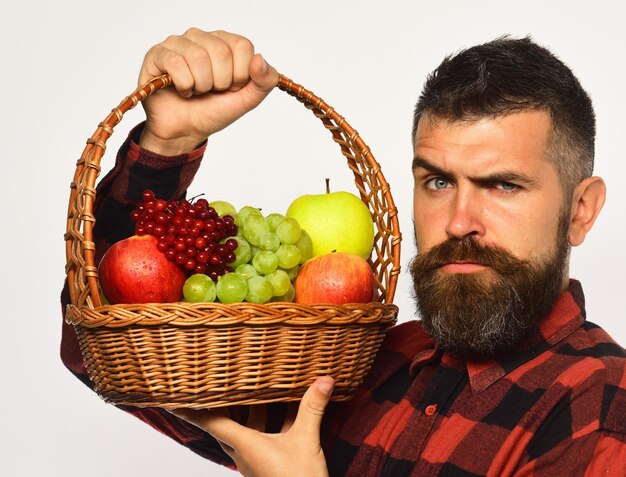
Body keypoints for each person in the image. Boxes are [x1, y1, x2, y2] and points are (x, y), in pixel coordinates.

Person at [60, 28, 626, 476]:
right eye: (437, 181)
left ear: (581, 210)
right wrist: (169, 143)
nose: (458, 222)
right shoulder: (359, 361)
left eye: (503, 185)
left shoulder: (598, 411)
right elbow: (101, 352)